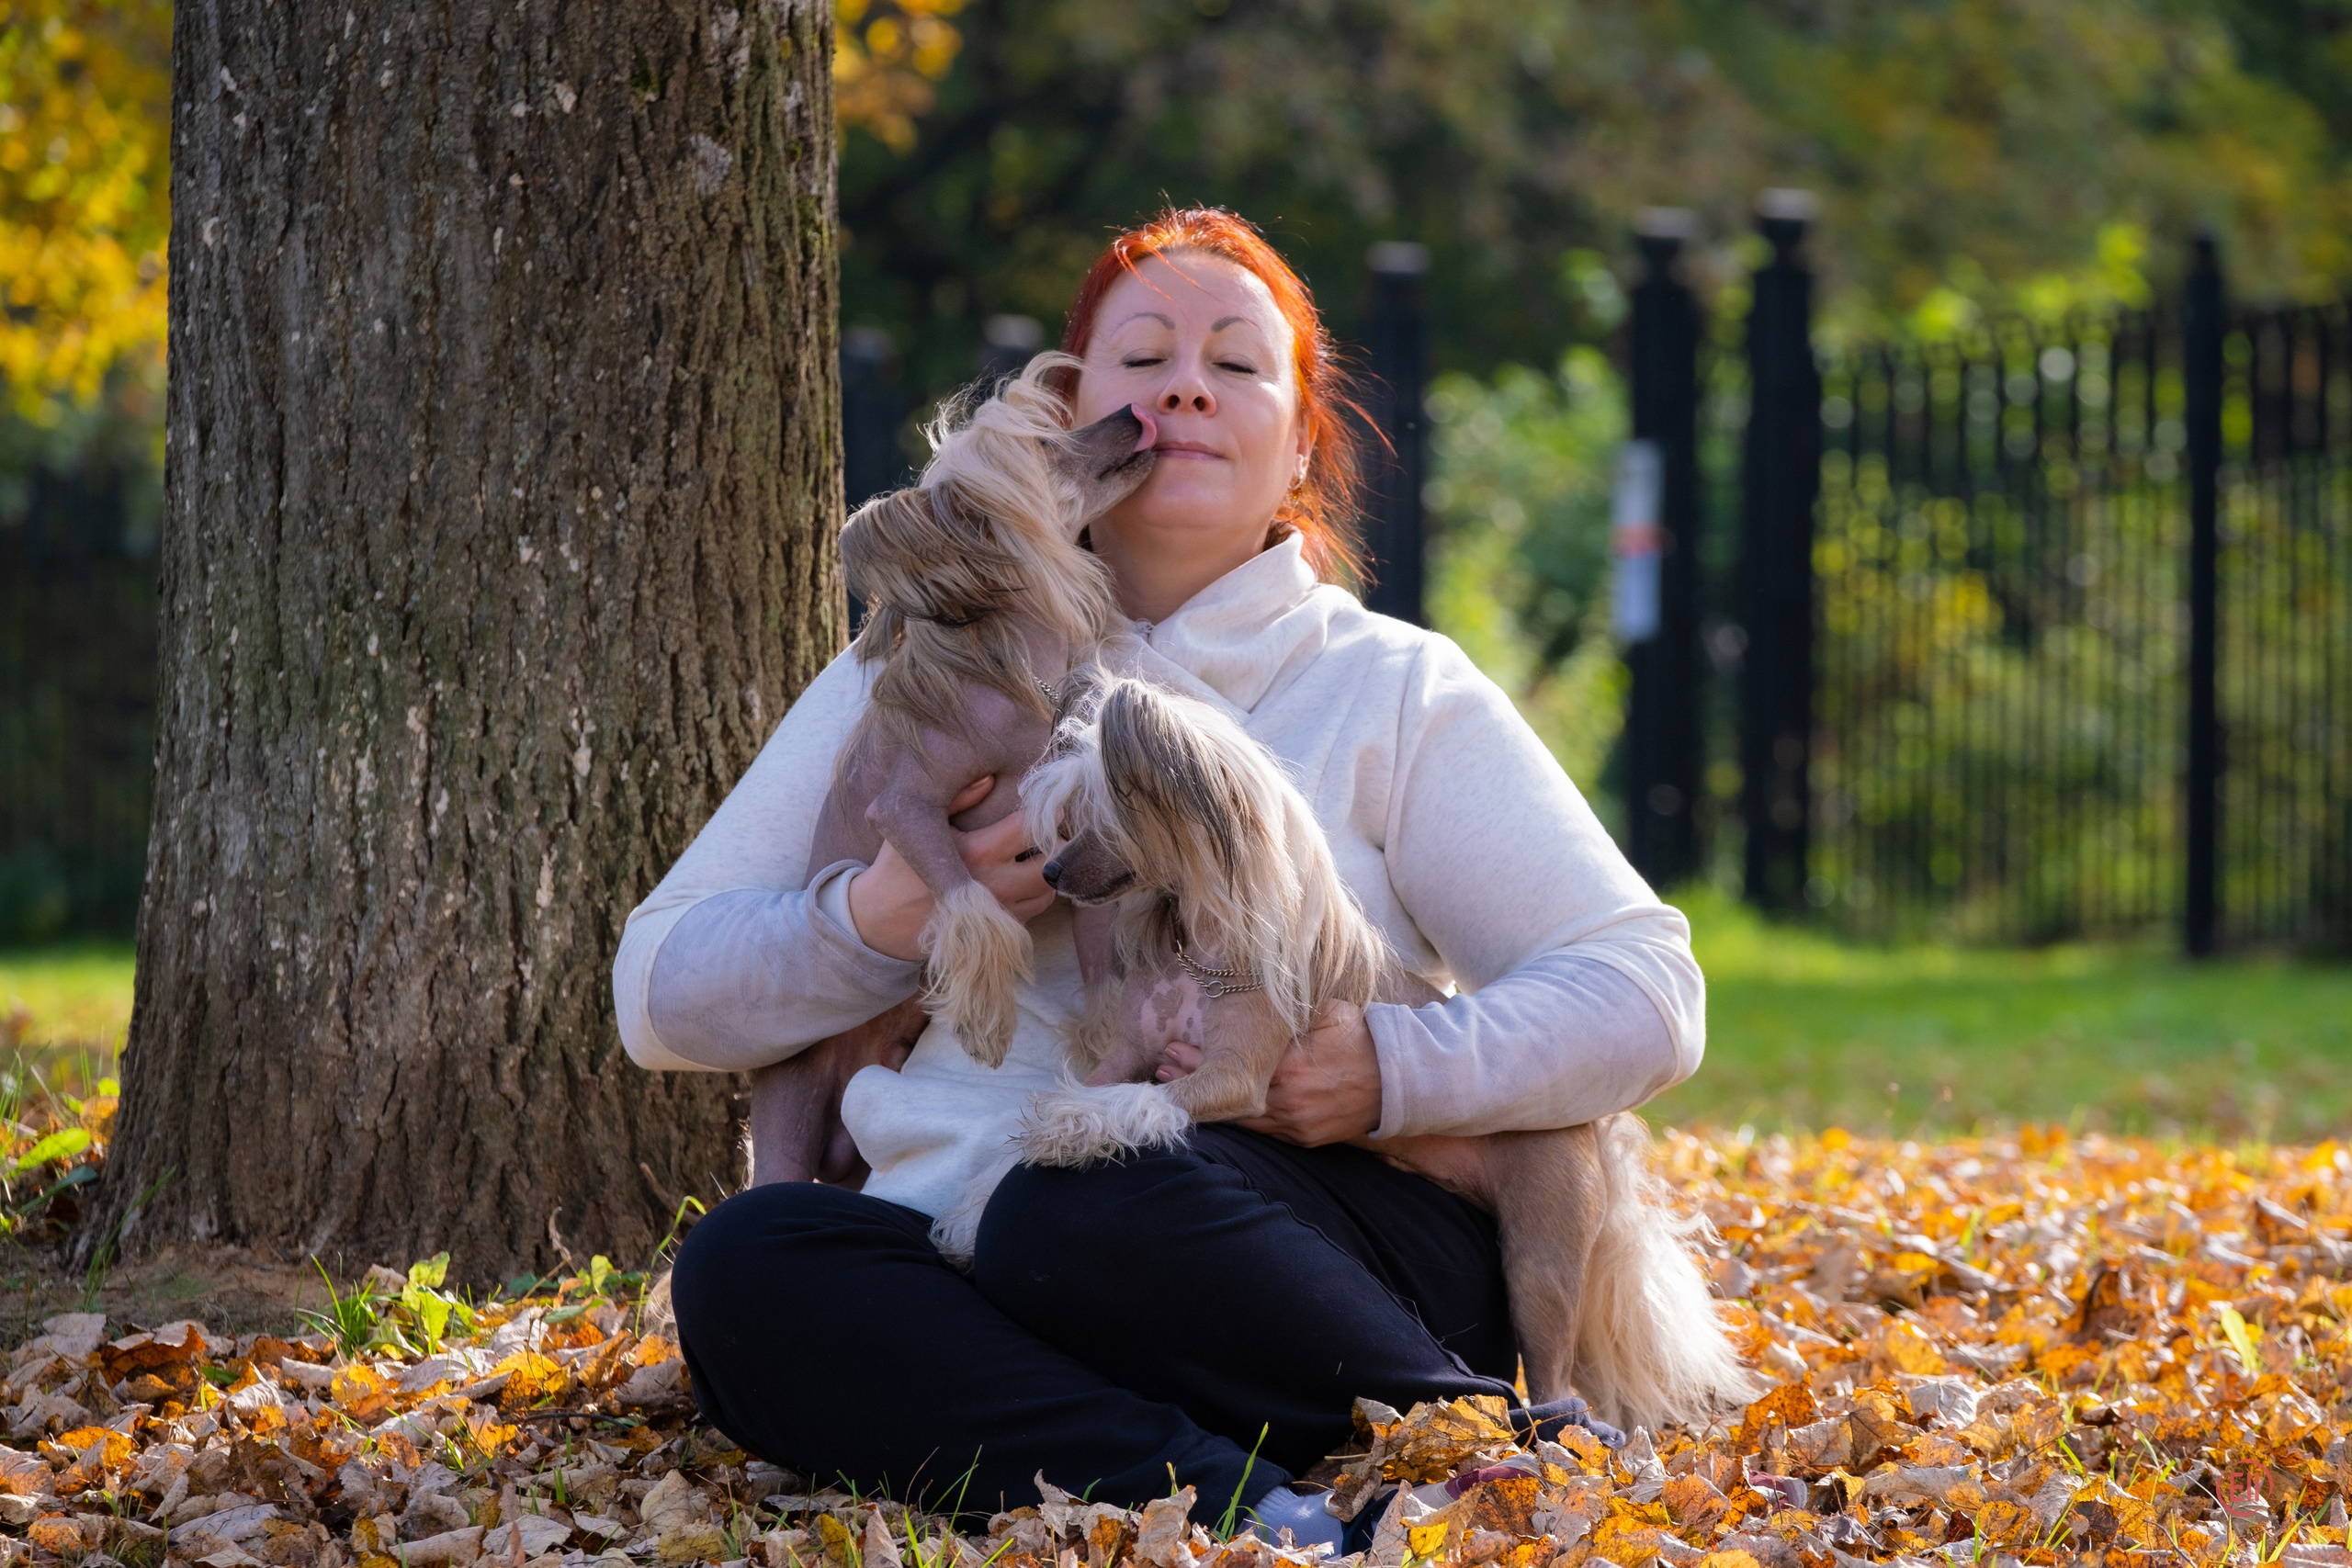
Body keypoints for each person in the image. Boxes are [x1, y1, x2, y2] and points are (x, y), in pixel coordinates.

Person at [612, 209, 1705, 1540]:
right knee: (747, 1268)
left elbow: (1648, 992)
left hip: (1291, 1257)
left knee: (1081, 1198)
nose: (1187, 384)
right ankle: (1256, 1505)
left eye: (1238, 363)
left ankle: (1472, 1437)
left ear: (1302, 440)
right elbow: (659, 991)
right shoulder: (920, 670)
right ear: (1076, 428)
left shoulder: (1391, 687)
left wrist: (1390, 1072)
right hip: (964, 1254)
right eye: (1142, 358)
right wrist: (888, 915)